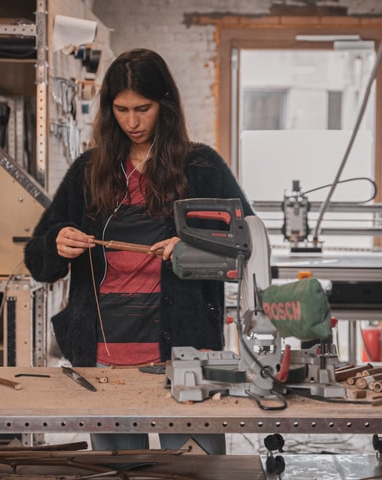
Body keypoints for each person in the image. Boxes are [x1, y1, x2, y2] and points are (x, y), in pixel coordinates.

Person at [24, 48, 253, 453]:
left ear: (164, 105)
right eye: (121, 109)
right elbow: (38, 262)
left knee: (195, 472)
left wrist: (194, 245)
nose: (132, 122)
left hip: (185, 356)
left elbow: (246, 243)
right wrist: (57, 242)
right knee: (120, 470)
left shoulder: (201, 168)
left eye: (142, 109)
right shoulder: (88, 171)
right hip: (103, 360)